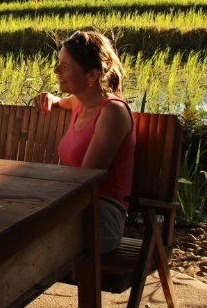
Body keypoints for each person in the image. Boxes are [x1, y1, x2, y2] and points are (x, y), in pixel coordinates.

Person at [33, 30, 135, 254]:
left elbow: (84, 180)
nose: (56, 70)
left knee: (23, 237)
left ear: (92, 75)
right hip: (74, 205)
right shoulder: (80, 102)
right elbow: (63, 101)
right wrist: (51, 98)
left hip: (100, 214)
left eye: (64, 66)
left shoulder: (112, 113)